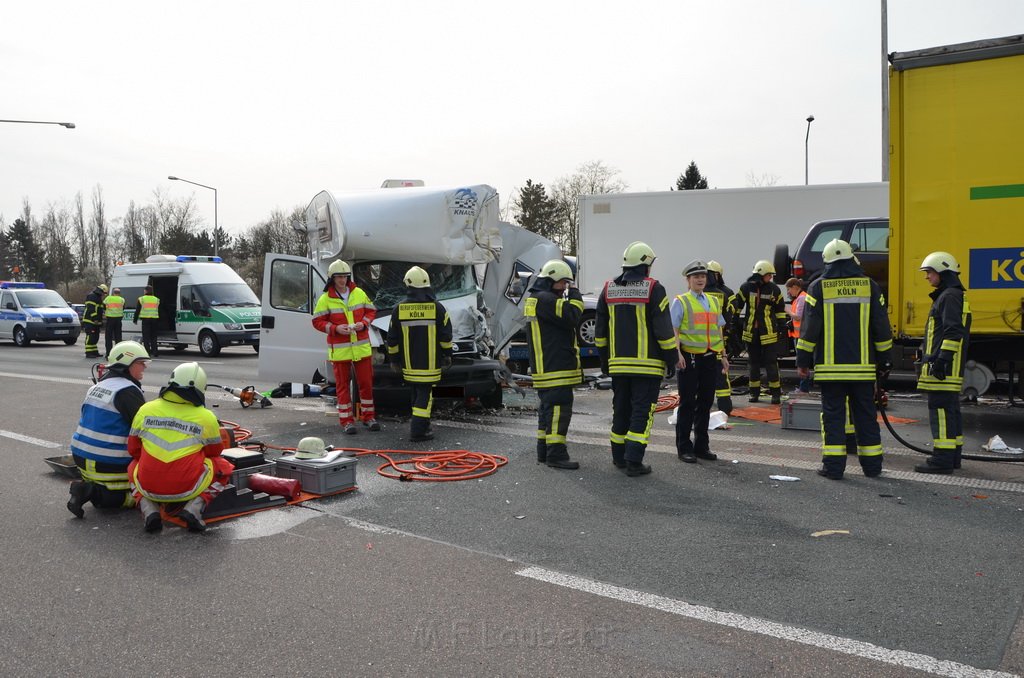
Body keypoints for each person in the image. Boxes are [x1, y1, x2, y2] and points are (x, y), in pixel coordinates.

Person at [795, 239, 893, 480]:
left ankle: (833, 468)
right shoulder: (870, 286)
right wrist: (885, 361)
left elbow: (809, 330)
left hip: (831, 371)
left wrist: (803, 362)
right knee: (866, 417)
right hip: (863, 370)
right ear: (852, 259)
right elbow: (881, 327)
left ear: (827, 261)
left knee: (833, 418)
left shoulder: (818, 287)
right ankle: (872, 467)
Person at [595, 242, 677, 477]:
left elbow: (600, 332)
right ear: (646, 265)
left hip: (618, 365)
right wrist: (671, 359)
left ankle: (619, 457)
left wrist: (604, 361)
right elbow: (663, 331)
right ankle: (634, 461)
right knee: (642, 412)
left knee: (620, 409)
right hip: (648, 367)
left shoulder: (608, 288)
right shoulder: (654, 289)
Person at [127, 362, 231, 532]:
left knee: (132, 466)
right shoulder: (206, 417)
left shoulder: (145, 410)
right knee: (223, 467)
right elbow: (215, 452)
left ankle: (150, 511)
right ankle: (194, 509)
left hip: (148, 486)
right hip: (187, 486)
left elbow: (133, 450)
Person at [67, 341, 150, 518]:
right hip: (107, 462)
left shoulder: (98, 387)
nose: (144, 366)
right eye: (141, 362)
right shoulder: (127, 391)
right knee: (143, 495)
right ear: (127, 364)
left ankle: (89, 486)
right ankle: (94, 493)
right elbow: (146, 429)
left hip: (82, 459)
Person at [914, 251, 972, 475]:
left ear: (941, 271)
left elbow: (952, 331)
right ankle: (953, 457)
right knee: (951, 412)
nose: (927, 277)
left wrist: (941, 362)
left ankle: (942, 460)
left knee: (940, 412)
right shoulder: (955, 295)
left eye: (929, 272)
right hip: (950, 369)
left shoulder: (948, 296)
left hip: (944, 370)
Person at [524, 259, 584, 470]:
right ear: (552, 280)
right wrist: (576, 294)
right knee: (559, 410)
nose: (566, 287)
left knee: (547, 411)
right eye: (564, 283)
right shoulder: (547, 299)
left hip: (544, 366)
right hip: (555, 367)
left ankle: (544, 451)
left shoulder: (534, 299)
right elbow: (573, 315)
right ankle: (556, 455)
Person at [386, 266, 453, 443]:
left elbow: (392, 339)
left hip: (409, 364)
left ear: (408, 285)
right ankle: (418, 431)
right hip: (430, 364)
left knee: (416, 393)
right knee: (425, 394)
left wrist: (394, 360)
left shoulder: (398, 309)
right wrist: (447, 354)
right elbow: (446, 337)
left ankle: (423, 425)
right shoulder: (438, 308)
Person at [312, 259, 380, 434]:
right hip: (340, 350)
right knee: (342, 387)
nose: (342, 280)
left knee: (365, 383)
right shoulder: (325, 299)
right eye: (339, 277)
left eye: (344, 276)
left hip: (361, 348)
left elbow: (371, 311)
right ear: (332, 279)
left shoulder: (358, 292)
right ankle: (346, 421)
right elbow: (317, 321)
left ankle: (369, 417)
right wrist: (335, 329)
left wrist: (363, 324)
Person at [672, 260, 729, 464]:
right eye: (695, 277)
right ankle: (684, 447)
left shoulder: (713, 301)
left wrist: (723, 355)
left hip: (709, 358)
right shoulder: (681, 301)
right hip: (689, 358)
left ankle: (701, 446)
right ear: (688, 280)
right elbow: (674, 330)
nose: (700, 279)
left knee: (705, 403)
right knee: (687, 403)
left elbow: (718, 330)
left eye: (703, 276)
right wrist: (677, 353)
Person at [729, 260, 787, 404]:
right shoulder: (746, 288)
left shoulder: (774, 289)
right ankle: (754, 394)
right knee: (753, 364)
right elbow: (738, 306)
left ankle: (775, 394)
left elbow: (780, 310)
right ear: (760, 275)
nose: (771, 278)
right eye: (769, 275)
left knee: (771, 364)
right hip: (751, 333)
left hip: (768, 333)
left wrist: (782, 327)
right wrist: (733, 322)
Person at [704, 260, 735, 414]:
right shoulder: (724, 294)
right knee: (721, 375)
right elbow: (728, 319)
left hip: (697, 345)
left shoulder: (694, 295)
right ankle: (725, 407)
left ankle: (700, 406)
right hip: (717, 342)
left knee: (701, 377)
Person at [785, 277, 811, 395]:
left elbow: (798, 316)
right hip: (799, 335)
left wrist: (788, 311)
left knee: (802, 363)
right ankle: (803, 387)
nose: (788, 292)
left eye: (789, 289)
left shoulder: (801, 298)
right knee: (802, 362)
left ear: (795, 287)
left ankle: (803, 388)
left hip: (801, 336)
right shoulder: (799, 298)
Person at [82, 283, 107, 358]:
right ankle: (88, 352)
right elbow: (91, 308)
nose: (104, 295)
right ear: (101, 291)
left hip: (96, 321)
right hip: (90, 320)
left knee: (95, 337)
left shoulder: (98, 297)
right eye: (104, 293)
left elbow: (100, 309)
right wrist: (95, 318)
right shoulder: (92, 296)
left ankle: (94, 352)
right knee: (90, 337)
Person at [136, 285, 160, 358]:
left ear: (146, 291)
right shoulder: (157, 299)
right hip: (154, 319)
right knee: (154, 337)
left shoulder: (141, 299)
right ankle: (155, 352)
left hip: (145, 320)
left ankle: (147, 352)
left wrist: (135, 319)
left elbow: (138, 310)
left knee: (146, 337)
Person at [102, 286, 125, 358]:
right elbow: (123, 308)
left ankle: (108, 354)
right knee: (118, 337)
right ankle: (118, 354)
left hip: (110, 319)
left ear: (113, 293)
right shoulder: (122, 299)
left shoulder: (108, 298)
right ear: (119, 293)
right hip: (118, 320)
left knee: (108, 337)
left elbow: (103, 306)